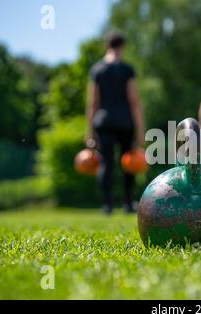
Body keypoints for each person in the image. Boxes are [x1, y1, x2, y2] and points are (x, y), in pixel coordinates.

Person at [86, 33, 145, 215]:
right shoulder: (127, 69)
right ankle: (128, 203)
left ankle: (107, 204)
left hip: (103, 122)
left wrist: (89, 132)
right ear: (122, 47)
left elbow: (93, 102)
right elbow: (134, 100)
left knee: (106, 163)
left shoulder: (97, 70)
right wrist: (141, 129)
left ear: (107, 46)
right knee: (129, 162)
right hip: (125, 122)